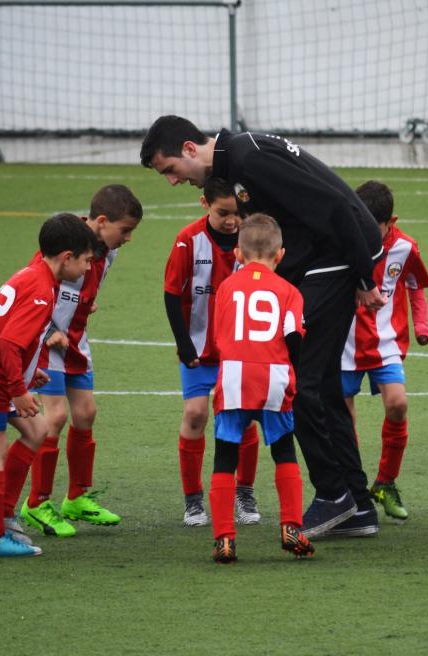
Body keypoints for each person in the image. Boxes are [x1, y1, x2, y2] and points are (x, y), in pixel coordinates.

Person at [141, 115, 387, 539]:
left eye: (170, 171)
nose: (173, 181)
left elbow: (334, 205)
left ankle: (333, 494)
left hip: (340, 258)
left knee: (300, 380)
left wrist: (365, 277)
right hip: (330, 258)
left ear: (188, 150)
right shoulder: (238, 158)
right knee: (325, 384)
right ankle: (357, 504)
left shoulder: (248, 160)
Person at [0, 213, 96, 558]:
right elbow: (9, 344)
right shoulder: (42, 289)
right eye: (87, 261)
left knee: (37, 429)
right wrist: (19, 389)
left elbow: (15, 338)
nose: (89, 269)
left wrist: (30, 375)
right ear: (67, 257)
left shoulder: (38, 277)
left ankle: (3, 514)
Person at [20, 185, 143, 538]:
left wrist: (85, 305)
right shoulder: (65, 239)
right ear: (101, 222)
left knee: (86, 414)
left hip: (75, 339)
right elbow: (34, 286)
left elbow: (83, 288)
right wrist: (46, 333)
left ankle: (76, 497)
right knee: (54, 417)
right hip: (48, 339)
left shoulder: (108, 252)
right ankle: (37, 503)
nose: (129, 238)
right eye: (125, 230)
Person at [208, 213, 314, 562]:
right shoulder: (289, 291)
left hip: (235, 376)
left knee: (225, 456)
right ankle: (291, 527)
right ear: (280, 255)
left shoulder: (226, 287)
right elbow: (293, 337)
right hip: (273, 377)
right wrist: (291, 373)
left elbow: (220, 337)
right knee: (284, 450)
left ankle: (224, 538)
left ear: (237, 255)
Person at [163, 176, 262, 527]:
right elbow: (172, 295)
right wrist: (184, 342)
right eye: (224, 213)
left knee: (244, 417)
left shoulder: (251, 242)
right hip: (198, 349)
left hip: (240, 348)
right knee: (195, 415)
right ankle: (193, 500)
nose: (233, 221)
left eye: (237, 213)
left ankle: (245, 493)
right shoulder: (187, 241)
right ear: (205, 205)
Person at [341, 180, 428, 524]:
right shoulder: (342, 241)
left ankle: (386, 482)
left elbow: (415, 286)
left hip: (386, 342)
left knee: (398, 404)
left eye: (372, 226)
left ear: (390, 221)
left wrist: (421, 324)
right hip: (344, 344)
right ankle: (352, 488)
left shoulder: (406, 248)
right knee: (343, 421)